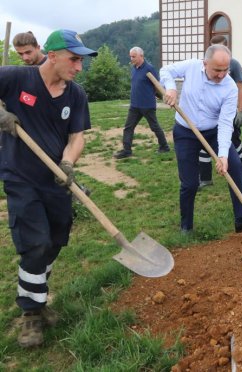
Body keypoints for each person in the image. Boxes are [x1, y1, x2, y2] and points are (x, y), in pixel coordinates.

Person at [0, 29, 97, 348]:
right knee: (36, 241)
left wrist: (68, 163)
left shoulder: (76, 95)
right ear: (53, 56)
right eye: (74, 60)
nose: (79, 67)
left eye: (81, 61)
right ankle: (30, 313)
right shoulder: (16, 78)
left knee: (56, 239)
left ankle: (37, 295)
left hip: (56, 178)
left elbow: (76, 137)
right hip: (21, 176)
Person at [159, 44, 242, 233]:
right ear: (205, 64)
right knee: (190, 183)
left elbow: (226, 123)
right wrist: (170, 88)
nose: (222, 75)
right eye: (217, 70)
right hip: (186, 132)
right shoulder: (192, 67)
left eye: (225, 70)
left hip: (213, 130)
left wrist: (222, 156)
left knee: (235, 166)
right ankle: (186, 227)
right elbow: (165, 70)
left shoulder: (229, 87)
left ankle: (241, 220)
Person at [198, 35, 242, 189]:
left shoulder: (234, 65)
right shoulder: (206, 65)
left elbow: (241, 87)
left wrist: (240, 111)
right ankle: (205, 178)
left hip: (227, 112)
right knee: (203, 143)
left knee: (234, 142)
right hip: (209, 114)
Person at [114, 47, 170, 159]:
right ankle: (127, 150)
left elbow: (157, 85)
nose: (131, 58)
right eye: (130, 56)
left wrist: (160, 96)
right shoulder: (134, 68)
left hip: (147, 105)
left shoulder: (149, 68)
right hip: (134, 105)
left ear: (141, 56)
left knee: (154, 127)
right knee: (128, 127)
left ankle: (164, 147)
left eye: (133, 56)